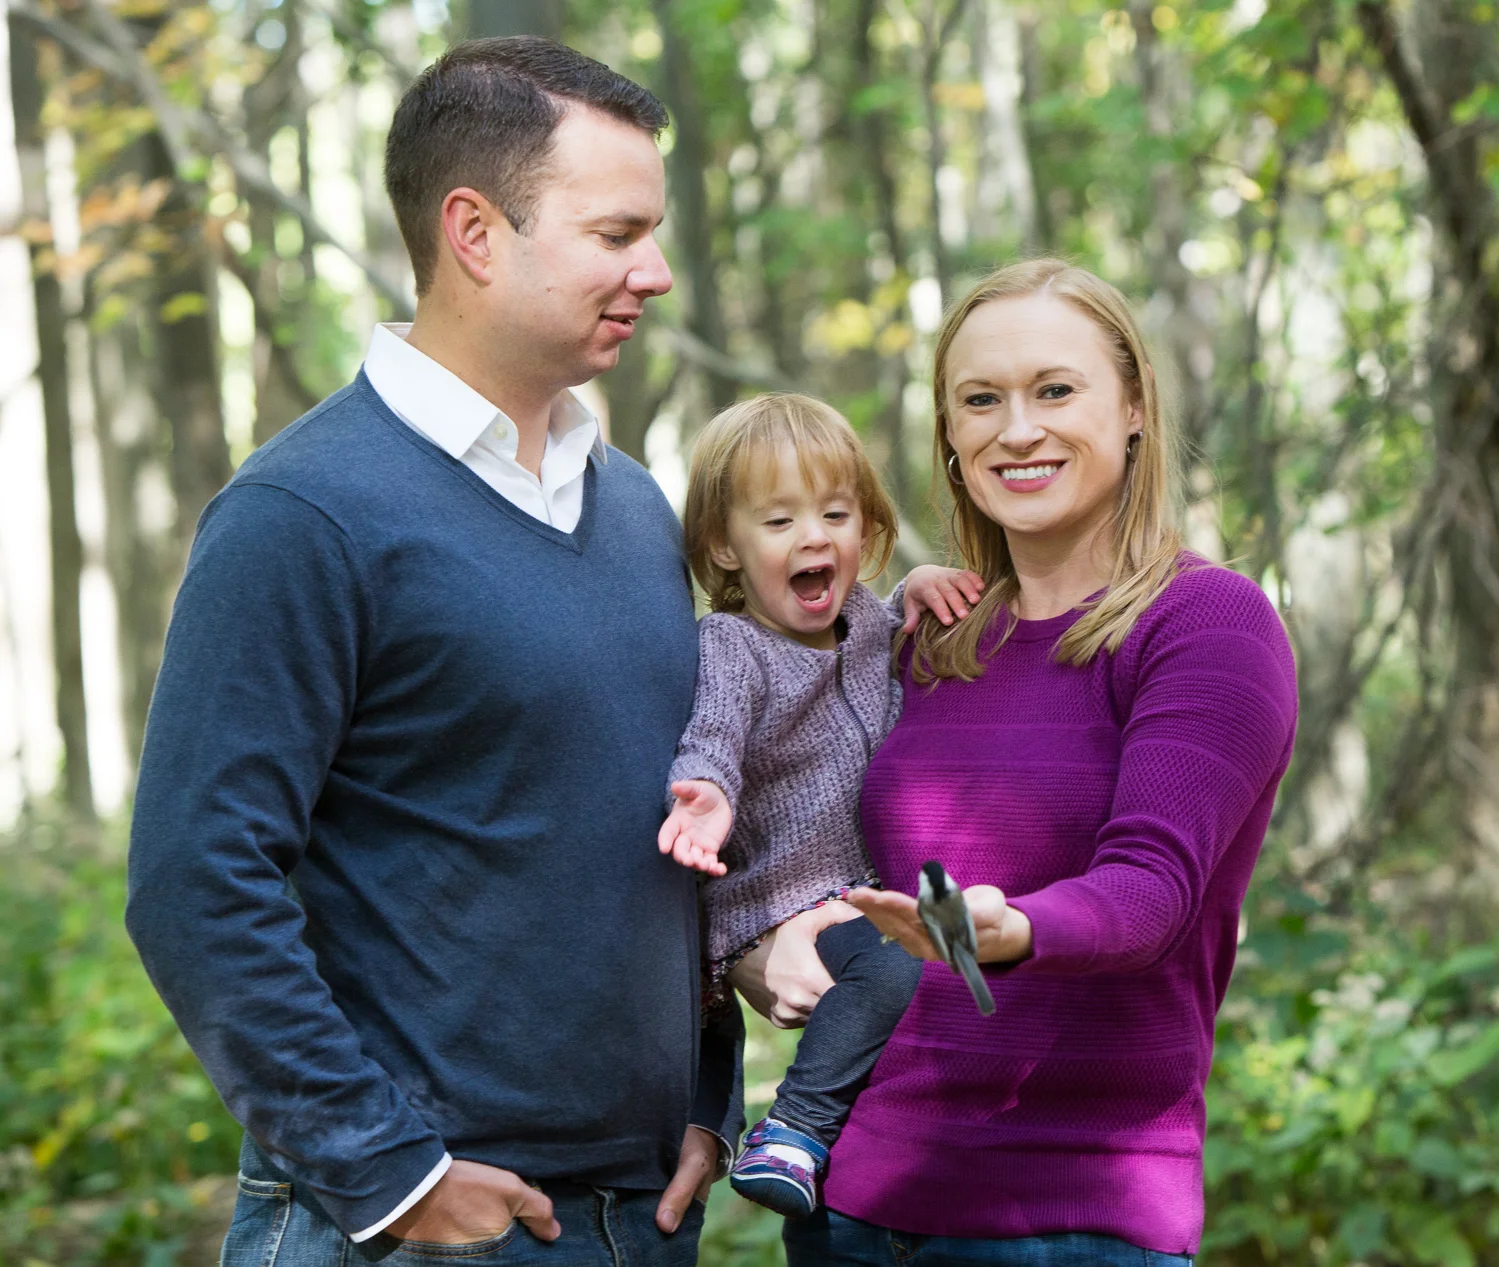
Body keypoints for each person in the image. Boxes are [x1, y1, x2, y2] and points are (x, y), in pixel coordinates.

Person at [127, 37, 737, 1266]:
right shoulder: (302, 514)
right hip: (417, 1226)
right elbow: (196, 882)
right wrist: (388, 1173)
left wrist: (706, 1097)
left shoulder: (635, 509)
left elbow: (674, 822)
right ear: (474, 232)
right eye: (616, 234)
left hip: (639, 1217)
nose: (655, 272)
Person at [776, 259, 1301, 1265]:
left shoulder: (1205, 623)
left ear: (1135, 407)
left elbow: (1151, 891)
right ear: (949, 431)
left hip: (1070, 1214)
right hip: (852, 1208)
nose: (1016, 429)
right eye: (981, 400)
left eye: (1055, 390)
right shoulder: (934, 638)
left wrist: (1011, 927)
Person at [656, 394, 982, 1219]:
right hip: (780, 899)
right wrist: (707, 794)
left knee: (957, 937)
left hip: (861, 889)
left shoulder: (865, 619)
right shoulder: (734, 644)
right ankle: (795, 1126)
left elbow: (888, 621)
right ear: (724, 545)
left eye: (836, 514)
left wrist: (919, 584)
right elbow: (713, 732)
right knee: (899, 959)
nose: (814, 536)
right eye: (779, 521)